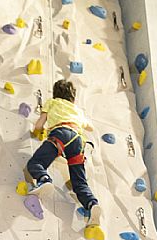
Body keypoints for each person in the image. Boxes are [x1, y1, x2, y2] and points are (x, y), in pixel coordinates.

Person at [25, 78, 101, 228]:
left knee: (35, 163)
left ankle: (44, 179)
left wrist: (36, 132)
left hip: (60, 135)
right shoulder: (77, 110)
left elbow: (40, 123)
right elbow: (90, 128)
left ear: (55, 94)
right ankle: (91, 204)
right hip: (78, 140)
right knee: (79, 181)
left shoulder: (52, 103)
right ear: (73, 98)